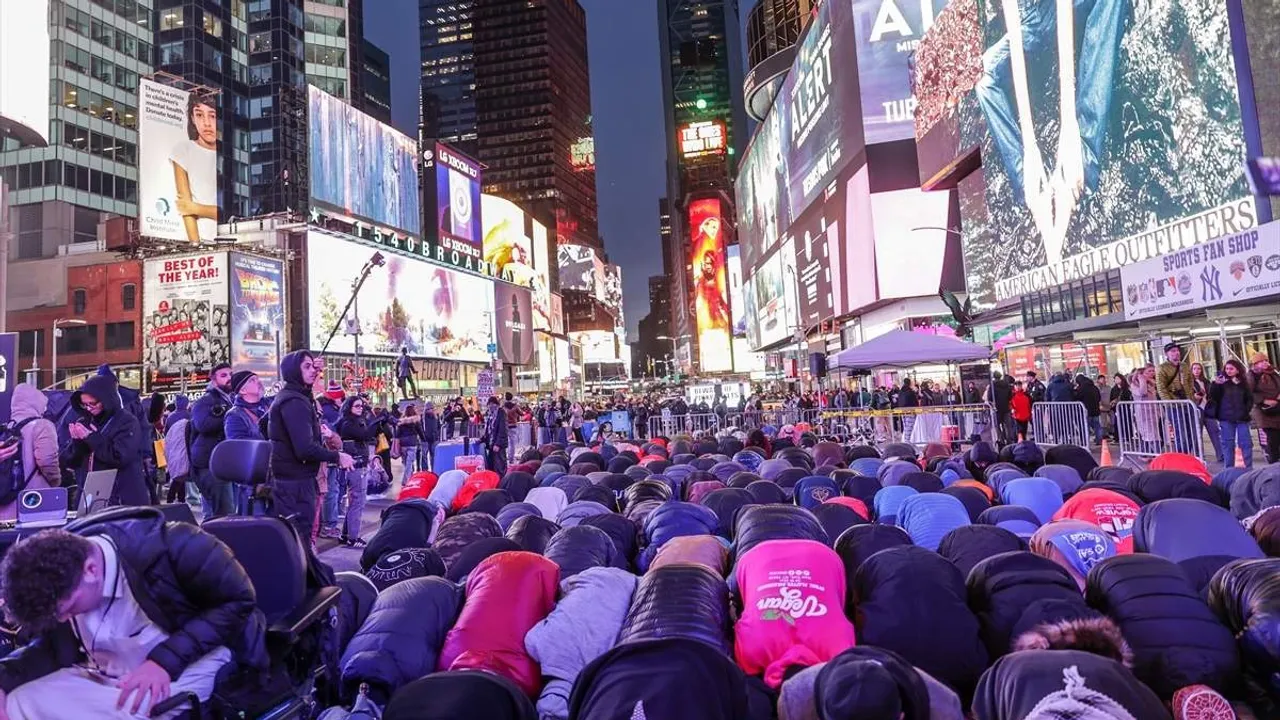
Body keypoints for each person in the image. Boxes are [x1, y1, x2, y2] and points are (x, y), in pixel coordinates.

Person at [0, 513, 267, 719]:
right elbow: (51, 648)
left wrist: (163, 662)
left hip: (189, 662)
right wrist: (4, 678)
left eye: (67, 609)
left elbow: (239, 601)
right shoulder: (60, 580)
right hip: (104, 669)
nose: (63, 619)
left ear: (91, 570)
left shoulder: (177, 546)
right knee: (18, 700)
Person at [268, 350, 352, 544]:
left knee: (297, 540)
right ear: (293, 372)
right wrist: (338, 457)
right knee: (299, 542)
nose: (314, 371)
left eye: (313, 366)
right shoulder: (294, 401)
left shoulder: (292, 397)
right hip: (295, 485)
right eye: (306, 366)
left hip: (293, 481)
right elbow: (304, 448)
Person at [60, 374, 148, 507]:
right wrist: (77, 442)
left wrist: (90, 437)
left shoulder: (127, 422)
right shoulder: (84, 421)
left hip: (121, 497)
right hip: (90, 496)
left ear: (106, 400)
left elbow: (120, 457)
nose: (89, 408)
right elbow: (70, 461)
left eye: (93, 403)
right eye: (84, 405)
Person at [0, 384, 60, 521]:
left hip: (6, 504)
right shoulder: (43, 425)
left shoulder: (7, 427)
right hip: (34, 503)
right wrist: (56, 482)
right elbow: (47, 461)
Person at [189, 363, 235, 520]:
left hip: (222, 464)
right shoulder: (206, 400)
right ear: (214, 381)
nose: (229, 378)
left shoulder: (229, 400)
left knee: (220, 513)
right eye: (224, 375)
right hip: (211, 465)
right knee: (223, 514)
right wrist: (230, 417)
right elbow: (202, 424)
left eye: (231, 374)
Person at [171, 93, 219, 243]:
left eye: (212, 116)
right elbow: (184, 206)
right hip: (200, 241)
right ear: (192, 118)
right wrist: (195, 245)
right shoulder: (183, 149)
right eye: (199, 115)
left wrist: (196, 208)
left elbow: (233, 213)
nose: (206, 123)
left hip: (234, 240)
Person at [223, 370, 272, 516]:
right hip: (253, 485)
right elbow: (239, 449)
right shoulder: (234, 415)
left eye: (257, 378)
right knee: (255, 526)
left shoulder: (270, 405)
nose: (258, 382)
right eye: (252, 380)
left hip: (275, 479)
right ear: (242, 390)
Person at [334, 396, 378, 548]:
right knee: (357, 501)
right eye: (357, 406)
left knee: (355, 501)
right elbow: (365, 435)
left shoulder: (352, 421)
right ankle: (353, 537)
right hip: (356, 466)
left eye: (362, 406)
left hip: (358, 465)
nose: (360, 408)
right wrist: (377, 420)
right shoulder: (348, 423)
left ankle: (347, 535)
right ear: (349, 407)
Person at [1208, 359, 1253, 469]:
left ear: (1237, 370)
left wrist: (1246, 410)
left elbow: (1249, 399)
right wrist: (1215, 384)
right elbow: (1213, 397)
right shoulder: (1221, 383)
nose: (1228, 371)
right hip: (1226, 418)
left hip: (1242, 418)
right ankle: (1228, 468)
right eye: (1227, 368)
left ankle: (1248, 468)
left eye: (1231, 369)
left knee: (1246, 443)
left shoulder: (1243, 383)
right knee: (1228, 444)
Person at [1251, 352, 1280, 464]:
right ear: (1256, 364)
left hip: (1277, 409)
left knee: (1277, 438)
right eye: (1262, 361)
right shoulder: (1253, 375)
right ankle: (1274, 463)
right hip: (1265, 412)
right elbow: (1249, 393)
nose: (1265, 363)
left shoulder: (1273, 372)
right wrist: (1264, 400)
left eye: (1266, 360)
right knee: (1273, 439)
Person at [1190, 362, 1222, 463]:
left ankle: (1221, 455)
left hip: (1207, 409)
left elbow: (1211, 394)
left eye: (1199, 369)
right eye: (1194, 369)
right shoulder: (1189, 382)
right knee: (1197, 434)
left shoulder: (1206, 381)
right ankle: (1199, 456)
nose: (1197, 371)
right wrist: (1194, 396)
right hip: (1197, 409)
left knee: (1215, 432)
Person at [396, 405, 425, 485]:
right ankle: (405, 481)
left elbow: (397, 433)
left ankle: (410, 478)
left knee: (406, 463)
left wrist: (396, 441)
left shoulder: (401, 422)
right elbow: (420, 431)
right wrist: (423, 439)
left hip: (403, 444)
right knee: (409, 463)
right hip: (412, 443)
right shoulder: (416, 420)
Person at [481, 396, 509, 476]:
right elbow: (488, 430)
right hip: (491, 444)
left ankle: (501, 482)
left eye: (492, 404)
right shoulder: (490, 414)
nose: (490, 406)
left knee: (499, 465)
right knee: (491, 465)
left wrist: (498, 444)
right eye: (489, 404)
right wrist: (482, 439)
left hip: (498, 445)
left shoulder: (501, 413)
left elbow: (502, 429)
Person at [1073, 374, 1103, 444]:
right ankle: (1099, 439)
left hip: (1086, 410)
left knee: (1085, 426)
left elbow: (1077, 397)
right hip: (1095, 410)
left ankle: (1085, 441)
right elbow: (1099, 397)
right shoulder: (1094, 387)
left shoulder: (1081, 388)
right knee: (1097, 425)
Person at [420, 402, 441, 472]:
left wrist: (437, 435)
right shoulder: (422, 417)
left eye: (432, 408)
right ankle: (425, 471)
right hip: (425, 439)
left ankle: (433, 470)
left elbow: (438, 426)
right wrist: (423, 436)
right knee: (424, 456)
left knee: (433, 456)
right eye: (429, 409)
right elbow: (420, 428)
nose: (430, 410)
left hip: (434, 439)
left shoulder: (436, 416)